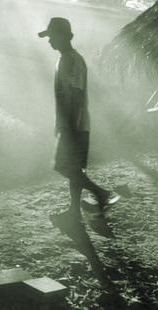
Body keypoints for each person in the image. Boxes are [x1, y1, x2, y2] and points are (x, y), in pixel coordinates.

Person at [38, 17, 115, 222]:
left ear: (64, 36)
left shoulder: (72, 60)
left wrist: (70, 127)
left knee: (62, 166)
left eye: (52, 36)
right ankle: (74, 211)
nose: (49, 41)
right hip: (72, 123)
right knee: (73, 168)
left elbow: (77, 95)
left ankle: (101, 193)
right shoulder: (64, 59)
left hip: (75, 124)